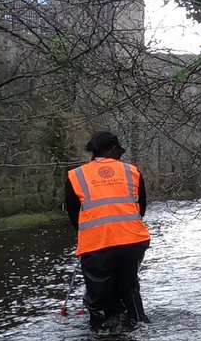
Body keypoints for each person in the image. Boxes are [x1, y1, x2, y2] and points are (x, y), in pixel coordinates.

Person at [64, 131, 151, 330]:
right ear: (112, 149)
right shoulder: (132, 171)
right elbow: (141, 209)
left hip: (97, 245)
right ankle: (138, 322)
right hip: (133, 241)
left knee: (99, 293)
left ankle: (103, 331)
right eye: (119, 151)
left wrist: (91, 233)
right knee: (129, 286)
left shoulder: (76, 176)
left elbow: (74, 215)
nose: (120, 155)